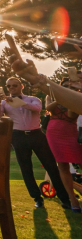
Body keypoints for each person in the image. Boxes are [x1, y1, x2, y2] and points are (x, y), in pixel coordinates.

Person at [0, 77, 71, 210]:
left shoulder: (32, 99)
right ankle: (37, 198)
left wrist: (17, 102)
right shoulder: (4, 103)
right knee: (26, 169)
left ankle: (65, 198)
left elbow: (36, 108)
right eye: (9, 86)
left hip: (36, 135)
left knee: (51, 166)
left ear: (21, 86)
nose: (11, 88)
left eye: (14, 85)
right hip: (18, 136)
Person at [45, 77, 82, 212]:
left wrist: (71, 98)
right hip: (54, 132)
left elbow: (72, 115)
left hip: (71, 132)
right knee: (62, 165)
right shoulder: (51, 95)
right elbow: (48, 108)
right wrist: (60, 98)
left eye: (70, 87)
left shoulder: (77, 99)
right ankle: (72, 199)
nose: (67, 89)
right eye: (64, 86)